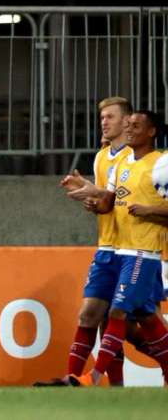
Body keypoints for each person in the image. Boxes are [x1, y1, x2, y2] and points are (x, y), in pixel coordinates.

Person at [61, 111, 168, 386]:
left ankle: (93, 378)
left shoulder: (161, 163)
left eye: (136, 126)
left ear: (152, 132)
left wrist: (149, 210)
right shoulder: (119, 163)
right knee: (140, 316)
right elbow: (109, 202)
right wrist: (91, 200)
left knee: (117, 313)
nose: (130, 130)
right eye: (129, 125)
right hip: (117, 252)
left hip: (144, 252)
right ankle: (72, 379)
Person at [34, 97, 134, 386]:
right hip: (106, 247)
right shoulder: (102, 157)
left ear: (127, 121)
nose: (104, 121)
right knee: (91, 315)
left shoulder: (136, 157)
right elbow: (105, 199)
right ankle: (74, 381)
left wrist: (95, 193)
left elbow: (122, 197)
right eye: (102, 116)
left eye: (110, 117)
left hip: (134, 249)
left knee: (139, 329)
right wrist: (86, 193)